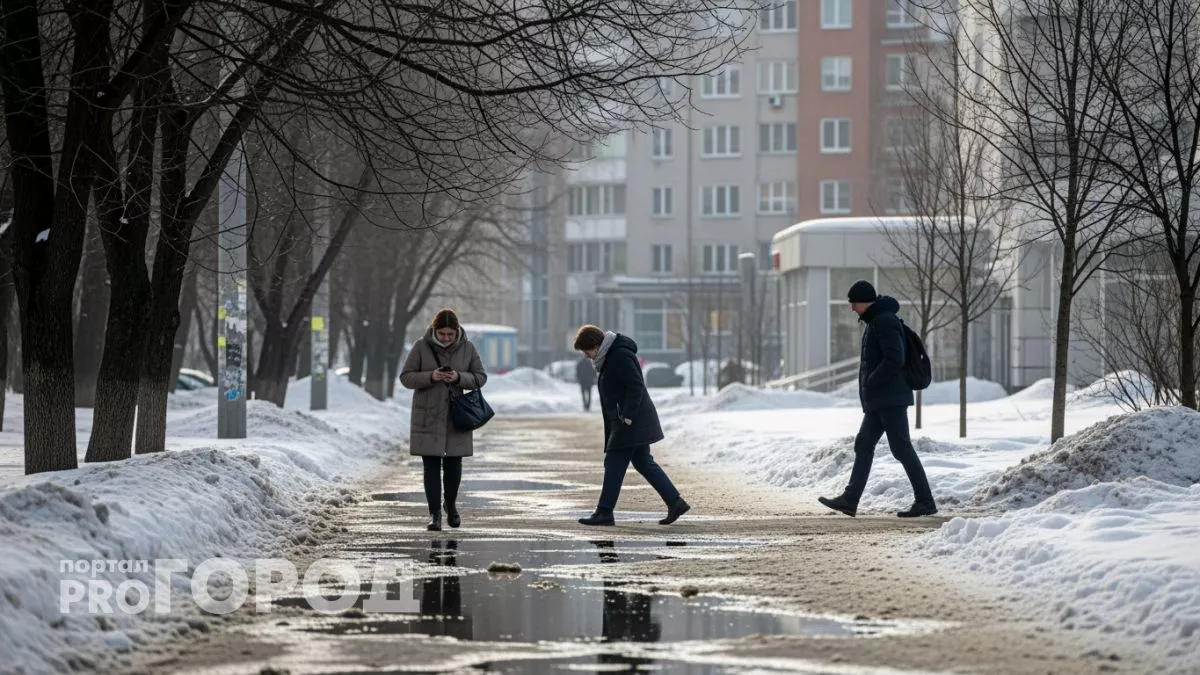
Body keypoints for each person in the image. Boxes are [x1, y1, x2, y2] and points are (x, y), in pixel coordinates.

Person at [819, 280, 937, 518]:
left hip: (889, 398)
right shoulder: (877, 321)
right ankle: (850, 500)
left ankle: (925, 501)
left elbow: (895, 358)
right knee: (863, 444)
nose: (852, 308)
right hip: (881, 399)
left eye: (854, 303)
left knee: (901, 448)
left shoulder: (883, 321)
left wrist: (872, 381)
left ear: (865, 302)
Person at [573, 325, 690, 526]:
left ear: (594, 345)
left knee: (613, 464)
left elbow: (636, 385)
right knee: (643, 461)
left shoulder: (618, 355)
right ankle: (675, 502)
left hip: (630, 421)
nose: (587, 356)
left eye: (586, 351)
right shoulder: (611, 355)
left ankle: (604, 512)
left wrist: (627, 415)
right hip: (629, 420)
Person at [400, 309, 488, 531]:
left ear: (457, 331)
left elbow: (481, 377)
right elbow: (406, 377)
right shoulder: (421, 346)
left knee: (453, 466)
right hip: (427, 415)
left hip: (456, 416)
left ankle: (450, 504)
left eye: (450, 334)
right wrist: (431, 376)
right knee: (430, 466)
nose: (446, 338)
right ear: (434, 330)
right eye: (442, 334)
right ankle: (434, 514)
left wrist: (458, 377)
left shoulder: (468, 348)